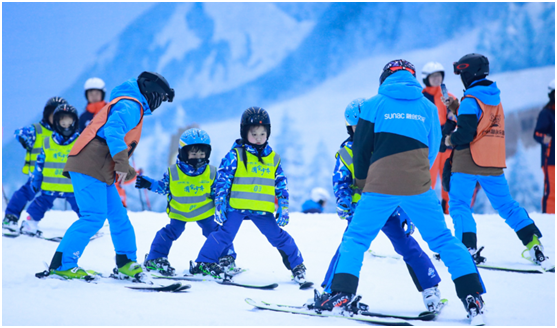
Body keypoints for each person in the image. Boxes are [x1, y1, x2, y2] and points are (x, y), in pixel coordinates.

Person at [313, 60, 486, 325]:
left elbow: (361, 150)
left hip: (379, 186)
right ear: (413, 78)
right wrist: (415, 175)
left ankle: (342, 293)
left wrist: (363, 182)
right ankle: (472, 296)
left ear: (385, 79)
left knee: (356, 239)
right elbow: (432, 148)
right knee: (443, 239)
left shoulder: (372, 105)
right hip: (417, 186)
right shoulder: (428, 107)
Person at [37, 71, 175, 281]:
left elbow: (108, 136)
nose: (160, 103)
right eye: (161, 98)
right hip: (89, 165)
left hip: (99, 168)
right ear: (152, 93)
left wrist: (123, 167)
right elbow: (112, 131)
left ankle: (126, 262)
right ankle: (62, 265)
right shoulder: (131, 105)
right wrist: (121, 162)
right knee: (93, 217)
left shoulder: (128, 102)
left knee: (119, 217)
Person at [320, 98, 443, 312]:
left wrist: (404, 210)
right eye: (356, 126)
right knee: (347, 248)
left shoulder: (384, 148)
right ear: (349, 127)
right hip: (361, 212)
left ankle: (430, 288)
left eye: (366, 124)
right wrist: (344, 203)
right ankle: (333, 292)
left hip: (389, 209)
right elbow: (340, 182)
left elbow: (400, 180)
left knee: (406, 246)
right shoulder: (347, 152)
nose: (362, 130)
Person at [444, 54, 553, 271]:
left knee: (459, 205)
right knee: (507, 206)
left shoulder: (470, 100)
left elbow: (465, 133)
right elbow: (482, 122)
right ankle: (534, 246)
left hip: (467, 162)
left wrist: (449, 139)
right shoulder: (494, 97)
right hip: (493, 162)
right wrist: (458, 106)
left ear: (468, 73)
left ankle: (467, 250)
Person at [190, 107, 308, 284]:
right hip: (236, 207)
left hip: (262, 209)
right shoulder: (235, 155)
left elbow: (281, 185)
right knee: (224, 235)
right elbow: (223, 180)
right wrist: (220, 203)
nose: (259, 138)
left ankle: (297, 266)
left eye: (262, 133)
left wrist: (283, 207)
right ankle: (204, 263)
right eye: (254, 133)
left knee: (278, 237)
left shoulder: (274, 158)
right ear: (244, 133)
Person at [135, 128, 238, 276]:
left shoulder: (211, 172)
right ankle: (155, 259)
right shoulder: (174, 172)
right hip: (179, 213)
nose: (198, 158)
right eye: (193, 154)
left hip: (205, 212)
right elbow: (164, 187)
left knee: (217, 233)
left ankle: (226, 258)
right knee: (170, 232)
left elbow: (219, 192)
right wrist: (149, 184)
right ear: (183, 153)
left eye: (202, 154)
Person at [3, 97, 67, 235]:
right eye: (53, 115)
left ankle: (89, 223)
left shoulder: (66, 134)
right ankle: (11, 217)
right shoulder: (37, 130)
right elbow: (19, 133)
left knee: (74, 197)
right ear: (47, 115)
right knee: (26, 193)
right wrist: (24, 139)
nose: (57, 119)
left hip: (56, 177)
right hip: (37, 174)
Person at [21, 104, 82, 236]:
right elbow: (39, 165)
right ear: (56, 122)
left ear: (75, 122)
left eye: (69, 121)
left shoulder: (80, 142)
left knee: (83, 207)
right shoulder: (47, 142)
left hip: (72, 187)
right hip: (50, 187)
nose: (66, 125)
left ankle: (88, 227)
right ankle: (29, 224)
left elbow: (87, 164)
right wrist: (35, 182)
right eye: (62, 121)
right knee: (39, 205)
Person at [80, 77, 135, 208]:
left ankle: (119, 208)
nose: (94, 96)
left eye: (96, 93)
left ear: (102, 94)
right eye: (90, 93)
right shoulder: (83, 118)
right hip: (91, 157)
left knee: (114, 181)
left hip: (111, 153)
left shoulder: (110, 112)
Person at [421, 62, 456, 213]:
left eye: (439, 76)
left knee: (449, 179)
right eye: (433, 76)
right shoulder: (421, 97)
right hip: (429, 146)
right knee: (427, 179)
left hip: (447, 144)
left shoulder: (448, 96)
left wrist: (451, 123)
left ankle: (448, 210)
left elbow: (457, 114)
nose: (437, 79)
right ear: (426, 78)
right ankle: (425, 210)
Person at [533, 79, 555, 214]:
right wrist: (550, 141)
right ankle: (549, 218)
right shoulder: (546, 114)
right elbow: (537, 134)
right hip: (551, 160)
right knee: (552, 191)